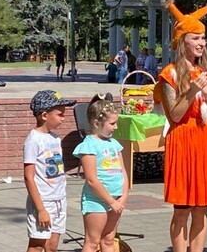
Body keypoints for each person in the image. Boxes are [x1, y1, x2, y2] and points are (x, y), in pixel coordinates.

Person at [154, 0, 207, 252]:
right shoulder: (170, 74)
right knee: (182, 209)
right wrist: (192, 91)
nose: (201, 43)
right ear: (181, 40)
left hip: (206, 140)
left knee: (201, 208)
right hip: (183, 141)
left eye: (203, 38)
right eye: (195, 37)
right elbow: (174, 116)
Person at [72, 96, 129, 252]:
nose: (115, 127)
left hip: (116, 198)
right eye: (112, 124)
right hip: (97, 200)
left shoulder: (114, 144)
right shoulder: (89, 145)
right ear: (97, 124)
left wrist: (124, 195)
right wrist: (111, 202)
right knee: (93, 240)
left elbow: (122, 171)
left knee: (109, 239)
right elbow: (91, 180)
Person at [24, 90, 77, 252]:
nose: (63, 118)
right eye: (60, 114)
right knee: (37, 245)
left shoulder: (55, 138)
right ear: (45, 115)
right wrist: (40, 209)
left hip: (59, 199)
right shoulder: (33, 140)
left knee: (52, 246)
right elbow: (28, 176)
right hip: (44, 200)